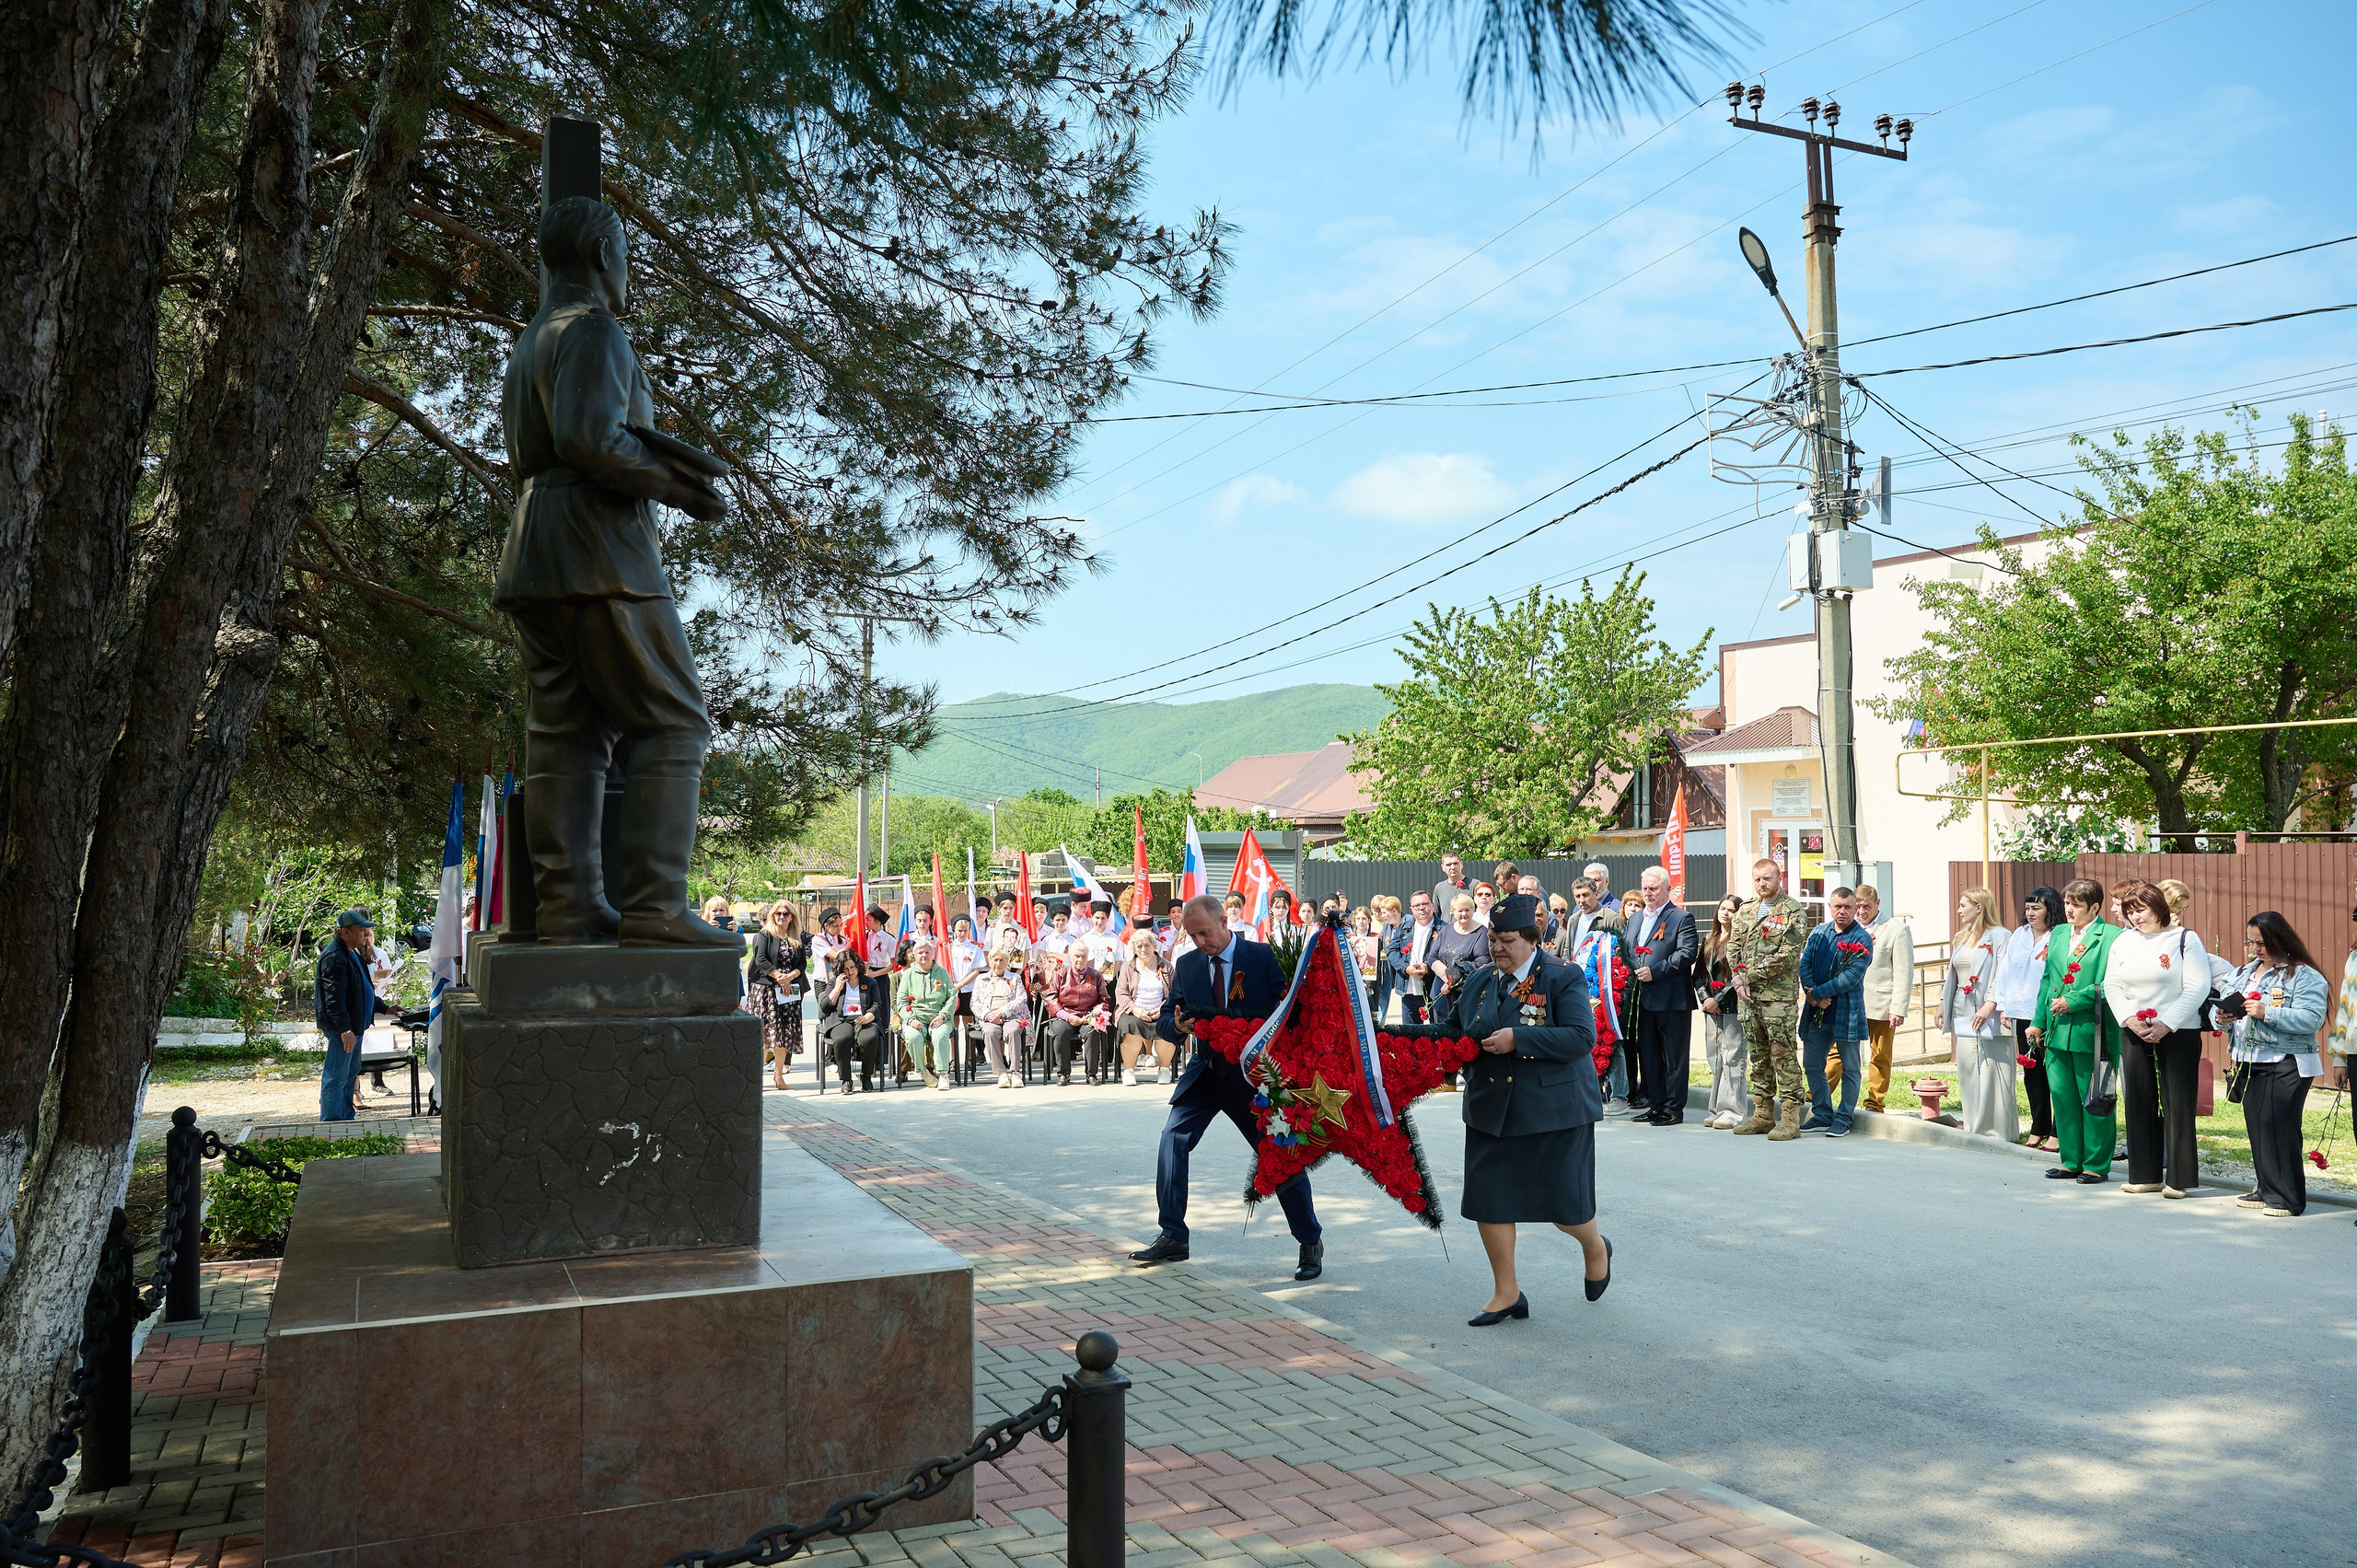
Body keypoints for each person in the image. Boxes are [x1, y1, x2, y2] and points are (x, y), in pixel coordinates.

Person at [496, 196, 736, 950]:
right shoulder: (592, 330)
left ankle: (568, 907)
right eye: (625, 254)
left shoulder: (532, 338)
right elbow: (588, 438)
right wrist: (676, 485)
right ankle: (656, 907)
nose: (629, 269)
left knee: (566, 733)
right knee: (674, 719)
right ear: (603, 256)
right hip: (599, 551)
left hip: (534, 553)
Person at [1132, 894, 1323, 1279]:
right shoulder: (1186, 965)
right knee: (1173, 1139)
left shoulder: (1262, 957)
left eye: (1204, 933)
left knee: (1280, 1157)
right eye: (1193, 936)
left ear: (1224, 921)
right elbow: (1169, 1017)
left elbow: (1293, 1011)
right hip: (1206, 1072)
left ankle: (1309, 1241)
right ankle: (1173, 1235)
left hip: (1254, 1078)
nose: (1200, 942)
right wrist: (1179, 1026)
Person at [1447, 893, 1613, 1325]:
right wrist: (1385, 1036)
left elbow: (1581, 1037)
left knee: (1563, 1207)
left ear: (1531, 938)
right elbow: (1449, 1031)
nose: (1497, 949)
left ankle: (1595, 1246)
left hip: (1553, 1109)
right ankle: (1507, 1293)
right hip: (1491, 1109)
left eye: (1506, 941)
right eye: (1493, 941)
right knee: (1490, 1202)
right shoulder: (1482, 979)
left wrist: (1519, 1039)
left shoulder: (1562, 975)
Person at [2103, 879, 2212, 1197]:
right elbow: (2112, 984)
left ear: (2159, 908)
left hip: (2178, 1029)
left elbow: (2197, 986)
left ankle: (2179, 1179)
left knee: (2177, 1102)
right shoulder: (2123, 942)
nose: (2137, 918)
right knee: (2138, 1098)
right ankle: (2144, 1175)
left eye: (2142, 910)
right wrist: (2128, 1018)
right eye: (2131, 912)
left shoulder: (2184, 939)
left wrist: (2167, 1022)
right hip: (2134, 1028)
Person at [2222, 911, 2329, 1216]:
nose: (2257, 949)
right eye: (2252, 942)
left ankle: (2288, 1198)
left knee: (2279, 1127)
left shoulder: (2304, 975)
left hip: (2287, 1062)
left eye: (2262, 942)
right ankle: (2266, 1187)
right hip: (2248, 1060)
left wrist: (2266, 1012)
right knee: (2258, 1127)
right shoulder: (2242, 973)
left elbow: (2312, 1019)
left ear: (2280, 940)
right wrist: (2223, 1018)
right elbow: (2224, 1009)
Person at [2029, 877, 2119, 1184]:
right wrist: (2038, 1021)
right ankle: (2071, 1160)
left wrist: (2075, 1000)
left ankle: (2096, 1164)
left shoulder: (2112, 937)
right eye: (2067, 903)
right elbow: (2046, 980)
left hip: (2093, 1032)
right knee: (2063, 1098)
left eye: (2077, 904)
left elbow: (2115, 984)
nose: (2069, 909)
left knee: (2096, 1098)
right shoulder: (2058, 934)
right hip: (2057, 1030)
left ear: (2095, 907)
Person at [1730, 859, 1809, 1141]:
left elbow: (1788, 954)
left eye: (1767, 878)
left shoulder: (1792, 911)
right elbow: (1733, 948)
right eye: (1757, 879)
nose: (1762, 884)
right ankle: (1762, 1114)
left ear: (1779, 878)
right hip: (1748, 998)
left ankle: (1790, 1118)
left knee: (1783, 1056)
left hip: (1777, 1000)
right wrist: (1738, 979)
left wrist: (1749, 975)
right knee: (1759, 1057)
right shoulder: (1745, 911)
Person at [1797, 887, 1875, 1137]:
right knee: (1811, 1064)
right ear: (1830, 907)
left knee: (1850, 1068)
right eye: (1838, 907)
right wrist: (1811, 993)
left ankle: (1844, 1118)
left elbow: (1850, 978)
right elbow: (1804, 964)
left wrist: (1817, 994)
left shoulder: (1861, 939)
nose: (1842, 911)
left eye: (1848, 907)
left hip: (1846, 1013)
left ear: (1855, 909)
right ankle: (1821, 1112)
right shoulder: (1819, 933)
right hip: (1816, 1012)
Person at [1624, 867, 1698, 1126]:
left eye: (1654, 888)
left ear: (1667, 889)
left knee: (1674, 1055)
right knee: (1649, 1053)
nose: (1648, 893)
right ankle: (1655, 1104)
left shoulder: (1681, 917)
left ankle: (1673, 1108)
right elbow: (1627, 950)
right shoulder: (1635, 919)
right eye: (1645, 888)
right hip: (1641, 998)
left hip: (1671, 998)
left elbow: (1686, 954)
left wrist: (1655, 972)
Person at [1943, 888, 2015, 1142]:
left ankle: (1998, 1129)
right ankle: (1974, 1127)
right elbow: (1952, 973)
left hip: (1991, 1013)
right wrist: (1944, 1003)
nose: (1959, 909)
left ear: (1979, 907)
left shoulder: (2001, 936)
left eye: (1964, 905)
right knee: (1967, 1069)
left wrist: (1990, 1004)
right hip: (1963, 1010)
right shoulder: (1961, 937)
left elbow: (2003, 973)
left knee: (1993, 1069)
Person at [1997, 888, 2064, 1152]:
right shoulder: (2020, 934)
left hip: (2050, 1013)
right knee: (2032, 1073)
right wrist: (2004, 1005)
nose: (2030, 913)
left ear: (2051, 909)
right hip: (2022, 1012)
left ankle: (2058, 1132)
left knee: (2056, 1073)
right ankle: (2038, 1127)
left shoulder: (2058, 935)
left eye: (2036, 908)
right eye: (2028, 908)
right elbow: (2006, 969)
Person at [315, 910, 388, 1121]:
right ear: (345, 932)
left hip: (355, 1028)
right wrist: (345, 1029)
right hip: (343, 1030)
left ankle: (346, 1119)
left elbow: (363, 991)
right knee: (336, 1076)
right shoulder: (335, 957)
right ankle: (331, 1122)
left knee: (349, 1074)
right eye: (361, 930)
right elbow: (334, 1000)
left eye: (367, 930)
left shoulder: (353, 953)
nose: (366, 934)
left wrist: (386, 1008)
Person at [1849, 884, 1911, 1112]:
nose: (1861, 911)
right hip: (1851, 1001)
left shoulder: (1896, 929)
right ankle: (1816, 1096)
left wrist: (1899, 1007)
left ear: (1878, 904)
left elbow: (1904, 971)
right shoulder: (1848, 927)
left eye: (1866, 906)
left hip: (1882, 1003)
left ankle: (1875, 1103)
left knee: (1880, 1055)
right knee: (1836, 1051)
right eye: (1858, 906)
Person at [1695, 894, 1750, 1129]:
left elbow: (1740, 974)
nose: (1725, 913)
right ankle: (1716, 1108)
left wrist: (1718, 999)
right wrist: (1706, 998)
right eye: (1722, 908)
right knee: (1715, 1058)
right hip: (1711, 1008)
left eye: (1730, 909)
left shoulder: (1742, 941)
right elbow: (1698, 974)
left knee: (1733, 1058)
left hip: (1732, 1006)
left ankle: (1733, 1111)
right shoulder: (1710, 939)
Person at [749, 902, 807, 1091]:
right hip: (766, 992)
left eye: (786, 913)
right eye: (778, 913)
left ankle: (779, 1075)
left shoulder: (795, 938)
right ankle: (755, 1078)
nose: (781, 917)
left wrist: (790, 977)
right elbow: (761, 960)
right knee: (765, 1035)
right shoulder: (765, 935)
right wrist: (779, 977)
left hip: (788, 992)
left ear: (792, 917)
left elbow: (802, 964)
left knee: (783, 1035)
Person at [895, 937, 958, 1090]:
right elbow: (901, 1002)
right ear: (914, 956)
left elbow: (952, 997)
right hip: (915, 1019)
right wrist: (910, 1020)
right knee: (912, 1037)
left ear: (933, 954)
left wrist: (943, 1015)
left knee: (940, 1036)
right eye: (920, 952)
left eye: (927, 952)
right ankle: (923, 1072)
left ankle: (943, 1074)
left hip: (939, 1017)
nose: (924, 955)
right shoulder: (908, 974)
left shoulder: (942, 973)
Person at [1041, 952, 1109, 1086]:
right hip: (1065, 1015)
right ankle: (1063, 1074)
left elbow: (1104, 1000)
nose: (1080, 959)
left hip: (1088, 1015)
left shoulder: (1096, 975)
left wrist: (1092, 1015)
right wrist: (1067, 1016)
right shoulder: (1061, 974)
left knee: (1092, 1032)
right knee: (1060, 1032)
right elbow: (1050, 999)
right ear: (1071, 958)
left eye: (1084, 956)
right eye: (1077, 956)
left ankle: (1091, 1074)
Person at [823, 947, 885, 1093]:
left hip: (864, 1018)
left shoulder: (869, 982)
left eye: (852, 967)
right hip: (842, 1020)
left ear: (858, 966)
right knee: (843, 1039)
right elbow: (825, 1007)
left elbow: (877, 1004)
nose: (850, 972)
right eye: (845, 969)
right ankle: (846, 1079)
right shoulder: (835, 982)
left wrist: (868, 1016)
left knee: (870, 1038)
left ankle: (866, 1076)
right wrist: (838, 988)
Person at [1114, 929, 1171, 1086]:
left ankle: (1165, 1069)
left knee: (1169, 1023)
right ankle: (1129, 1070)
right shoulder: (1127, 967)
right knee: (1129, 1024)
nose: (1143, 949)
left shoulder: (1166, 966)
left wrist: (1162, 1009)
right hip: (1134, 1012)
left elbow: (1175, 992)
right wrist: (1136, 1010)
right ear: (1134, 949)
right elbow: (1121, 993)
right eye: (1139, 947)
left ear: (1154, 946)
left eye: (1147, 945)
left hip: (1161, 1011)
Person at [972, 948, 1031, 1087]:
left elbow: (1021, 999)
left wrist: (1002, 1012)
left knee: (1012, 1031)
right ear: (989, 961)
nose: (998, 963)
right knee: (990, 1032)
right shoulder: (981, 979)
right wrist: (989, 1015)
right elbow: (975, 1003)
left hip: (1012, 1016)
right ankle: (1001, 1073)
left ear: (1007, 962)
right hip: (989, 1018)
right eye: (995, 960)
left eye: (1002, 960)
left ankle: (1015, 1072)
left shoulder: (1015, 978)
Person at [1387, 891, 1442, 1026]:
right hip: (1409, 989)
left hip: (1434, 990)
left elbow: (1447, 956)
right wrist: (1406, 968)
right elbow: (1392, 952)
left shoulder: (1444, 928)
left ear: (1432, 905)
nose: (1421, 908)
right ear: (1411, 909)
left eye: (1425, 904)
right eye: (1417, 905)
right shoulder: (1404, 927)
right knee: (1410, 1035)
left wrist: (1429, 967)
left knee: (1438, 1033)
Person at [1349, 907, 1382, 996]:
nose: (1361, 921)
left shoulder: (1376, 937)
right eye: (1358, 919)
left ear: (1369, 920)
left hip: (1372, 981)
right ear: (1354, 921)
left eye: (1364, 918)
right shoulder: (1348, 938)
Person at [1431, 852, 1472, 917]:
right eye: (1448, 865)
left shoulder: (1474, 885)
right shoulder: (1439, 888)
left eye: (1456, 863)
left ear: (1461, 864)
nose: (1453, 867)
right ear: (1443, 867)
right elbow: (1435, 914)